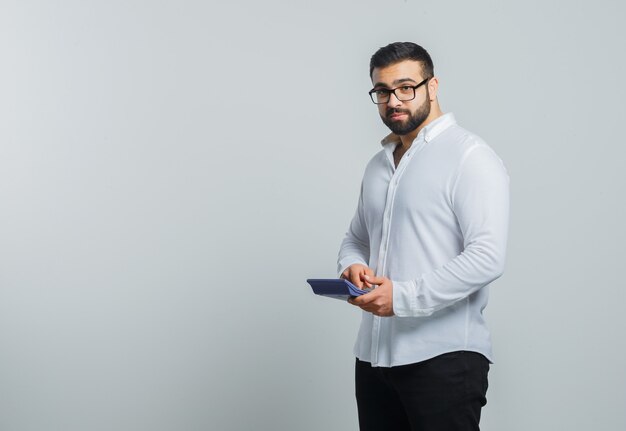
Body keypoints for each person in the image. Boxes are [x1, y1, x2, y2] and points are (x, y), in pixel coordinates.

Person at [337, 42, 510, 431]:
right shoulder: (378, 165)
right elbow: (355, 237)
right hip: (373, 358)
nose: (393, 100)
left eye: (405, 87)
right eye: (382, 91)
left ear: (432, 86)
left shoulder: (470, 156)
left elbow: (487, 256)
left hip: (444, 358)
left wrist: (402, 296)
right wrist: (353, 266)